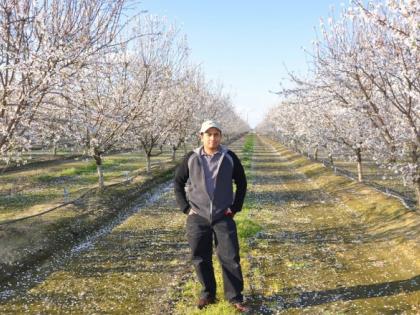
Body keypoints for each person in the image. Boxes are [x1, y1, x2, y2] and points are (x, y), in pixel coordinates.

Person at [174, 120, 249, 312]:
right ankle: (208, 294)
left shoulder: (229, 157)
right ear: (201, 136)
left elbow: (241, 182)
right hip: (198, 215)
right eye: (209, 134)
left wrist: (235, 207)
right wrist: (185, 208)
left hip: (223, 215)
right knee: (200, 256)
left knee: (230, 256)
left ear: (220, 137)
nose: (213, 138)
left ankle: (235, 297)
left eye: (216, 134)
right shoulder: (191, 158)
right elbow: (177, 183)